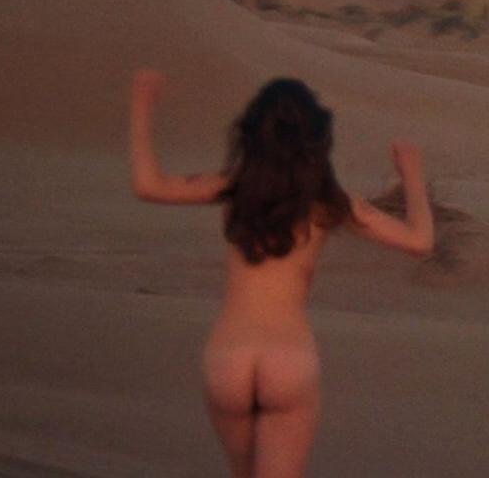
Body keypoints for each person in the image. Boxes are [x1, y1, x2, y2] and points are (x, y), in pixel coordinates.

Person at [128, 69, 434, 478]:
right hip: (288, 360)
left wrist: (142, 104)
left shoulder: (233, 187)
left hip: (229, 359)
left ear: (252, 134)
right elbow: (419, 242)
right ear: (317, 140)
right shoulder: (330, 203)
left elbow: (148, 185)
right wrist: (412, 174)